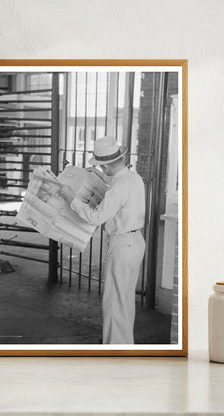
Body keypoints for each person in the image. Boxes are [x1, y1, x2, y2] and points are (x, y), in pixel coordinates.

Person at [59, 136, 146, 344]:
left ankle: (115, 352)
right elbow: (115, 185)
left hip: (122, 245)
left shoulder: (118, 188)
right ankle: (123, 345)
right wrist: (97, 175)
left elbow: (96, 217)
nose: (101, 169)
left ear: (107, 165)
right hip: (135, 243)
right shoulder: (133, 178)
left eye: (101, 166)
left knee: (115, 302)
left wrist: (73, 200)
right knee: (124, 300)